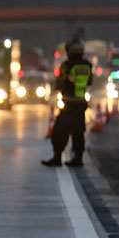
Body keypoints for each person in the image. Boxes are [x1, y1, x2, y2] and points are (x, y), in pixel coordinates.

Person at [42, 39, 92, 167]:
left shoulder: (67, 65)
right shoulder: (87, 65)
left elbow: (59, 83)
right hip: (81, 103)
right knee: (78, 132)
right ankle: (78, 158)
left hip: (69, 102)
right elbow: (89, 82)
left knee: (60, 130)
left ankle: (57, 157)